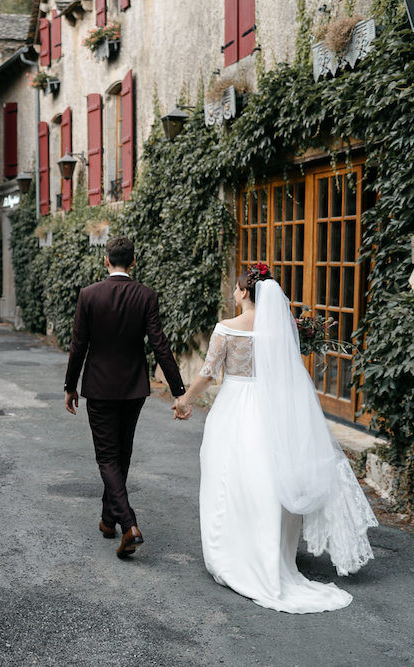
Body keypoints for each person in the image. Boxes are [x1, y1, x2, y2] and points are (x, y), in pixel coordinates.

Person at [174, 263, 377, 613]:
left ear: (242, 293)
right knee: (268, 477)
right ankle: (273, 557)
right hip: (270, 410)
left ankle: (232, 554)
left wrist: (183, 401)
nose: (234, 292)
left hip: (235, 409)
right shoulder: (278, 331)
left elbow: (208, 374)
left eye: (237, 288)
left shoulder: (227, 327)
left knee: (231, 477)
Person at [64, 237, 187, 558]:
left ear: (106, 261)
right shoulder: (146, 296)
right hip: (134, 388)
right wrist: (178, 390)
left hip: (100, 388)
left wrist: (70, 386)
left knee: (107, 457)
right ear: (133, 262)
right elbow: (161, 345)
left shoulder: (89, 296)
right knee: (122, 454)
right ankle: (108, 520)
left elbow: (79, 345)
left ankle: (129, 525)